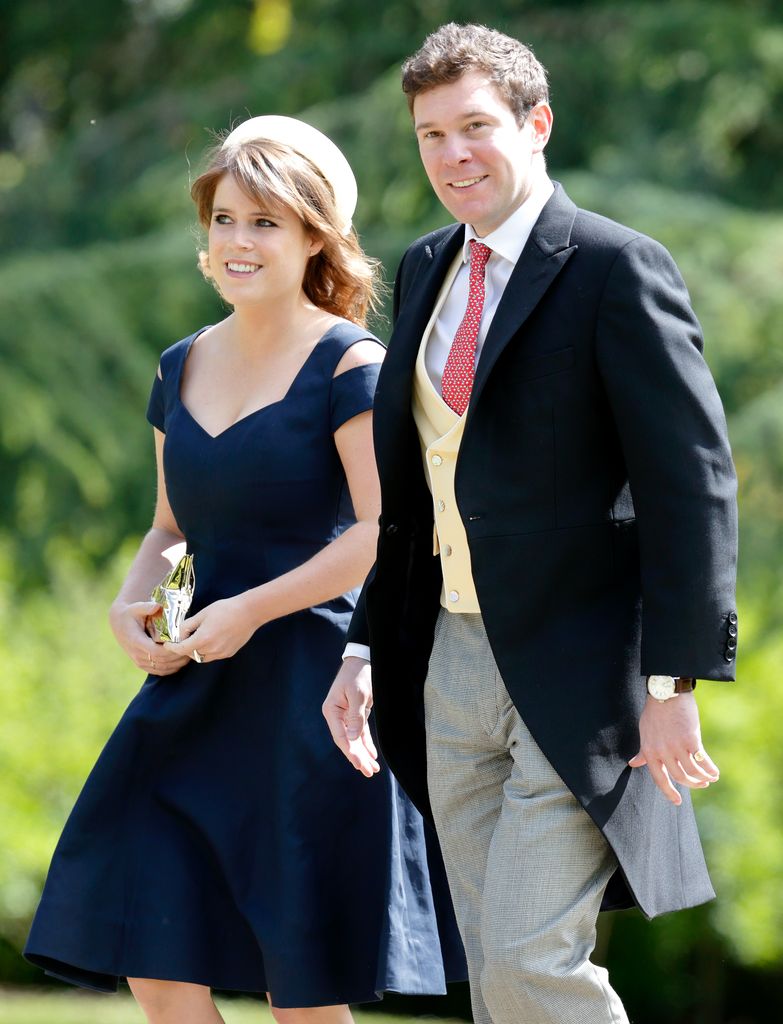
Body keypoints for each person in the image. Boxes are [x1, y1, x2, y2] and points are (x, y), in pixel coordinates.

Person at [323, 23, 738, 1024]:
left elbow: (693, 482)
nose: (453, 155)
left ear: (536, 122)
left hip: (579, 676)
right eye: (431, 135)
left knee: (526, 961)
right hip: (447, 668)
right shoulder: (425, 270)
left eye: (475, 127)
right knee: (492, 970)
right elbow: (416, 491)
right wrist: (363, 645)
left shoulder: (612, 268)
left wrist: (674, 680)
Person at [25, 115, 464, 1024]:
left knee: (295, 987)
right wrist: (130, 599)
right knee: (152, 940)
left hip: (315, 692)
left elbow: (384, 533)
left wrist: (251, 610)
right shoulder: (179, 364)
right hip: (198, 682)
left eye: (264, 222)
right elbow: (170, 528)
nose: (236, 241)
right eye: (224, 219)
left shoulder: (352, 363)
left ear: (314, 238)